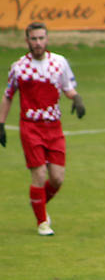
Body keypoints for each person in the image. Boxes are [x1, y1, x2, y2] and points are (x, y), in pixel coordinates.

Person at [0, 22, 85, 237]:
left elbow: (68, 88)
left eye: (41, 38)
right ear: (27, 41)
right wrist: (1, 123)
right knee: (39, 175)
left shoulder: (59, 62)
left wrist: (77, 99)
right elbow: (8, 96)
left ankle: (37, 202)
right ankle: (42, 222)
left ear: (47, 39)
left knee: (57, 178)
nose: (37, 43)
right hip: (30, 127)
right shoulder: (18, 67)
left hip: (54, 128)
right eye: (33, 39)